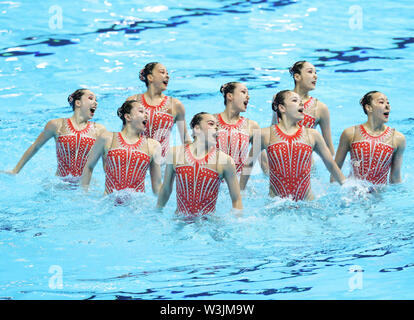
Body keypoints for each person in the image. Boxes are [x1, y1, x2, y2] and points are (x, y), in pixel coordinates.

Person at [240, 90, 345, 201]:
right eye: (295, 100)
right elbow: (248, 165)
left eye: (301, 101)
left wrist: (347, 185)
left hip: (307, 203)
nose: (301, 104)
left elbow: (332, 166)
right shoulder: (263, 135)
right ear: (282, 108)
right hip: (276, 203)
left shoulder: (313, 135)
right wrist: (239, 194)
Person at [4, 89, 106, 181]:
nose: (96, 102)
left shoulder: (99, 129)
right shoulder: (56, 125)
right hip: (60, 182)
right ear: (78, 103)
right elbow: (35, 146)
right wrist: (15, 170)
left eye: (96, 100)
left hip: (85, 185)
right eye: (91, 98)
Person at [157, 112, 243, 216]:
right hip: (179, 220)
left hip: (208, 223)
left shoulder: (225, 161)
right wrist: (157, 213)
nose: (216, 128)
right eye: (211, 124)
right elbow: (166, 189)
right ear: (197, 129)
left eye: (217, 126)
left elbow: (237, 200)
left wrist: (237, 221)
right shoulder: (175, 154)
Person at [81, 100, 162, 195]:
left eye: (146, 113)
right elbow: (89, 167)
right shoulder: (107, 138)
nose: (146, 115)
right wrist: (83, 194)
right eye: (141, 111)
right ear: (128, 117)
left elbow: (157, 185)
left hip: (137, 205)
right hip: (109, 202)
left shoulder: (154, 146)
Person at [333, 91, 405, 185]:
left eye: (388, 103)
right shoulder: (351, 133)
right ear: (368, 108)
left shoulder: (398, 138)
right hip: (352, 194)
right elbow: (335, 170)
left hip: (380, 195)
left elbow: (395, 178)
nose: (387, 106)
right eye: (381, 102)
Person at [126, 62, 191, 160]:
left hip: (163, 163)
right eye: (162, 72)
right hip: (137, 161)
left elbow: (185, 139)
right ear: (150, 77)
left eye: (167, 73)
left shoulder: (175, 105)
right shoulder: (133, 101)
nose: (167, 76)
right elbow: (125, 135)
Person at [271, 61, 335, 154]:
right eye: (310, 72)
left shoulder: (320, 108)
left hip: (306, 165)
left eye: (315, 73)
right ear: (297, 77)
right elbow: (273, 128)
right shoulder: (279, 98)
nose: (315, 76)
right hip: (279, 161)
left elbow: (329, 147)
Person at [215, 82, 261, 175]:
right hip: (215, 183)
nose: (248, 97)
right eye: (243, 92)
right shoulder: (211, 122)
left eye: (248, 94)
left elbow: (262, 161)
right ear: (230, 96)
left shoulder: (252, 126)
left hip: (240, 182)